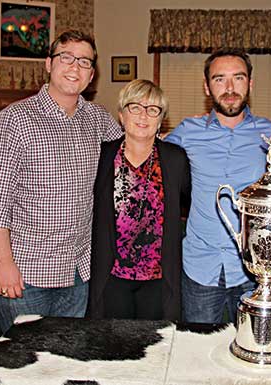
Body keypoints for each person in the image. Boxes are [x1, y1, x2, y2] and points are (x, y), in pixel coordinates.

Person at [0, 30, 122, 332]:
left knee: (66, 363)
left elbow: (132, 153)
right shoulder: (14, 119)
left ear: (92, 74)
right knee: (23, 366)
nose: (75, 67)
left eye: (84, 62)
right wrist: (3, 263)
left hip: (79, 271)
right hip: (27, 274)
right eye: (66, 57)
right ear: (48, 64)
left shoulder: (98, 118)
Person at [165, 49, 271, 324]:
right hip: (201, 267)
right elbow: (147, 154)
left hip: (254, 270)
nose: (229, 88)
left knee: (253, 354)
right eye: (219, 79)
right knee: (198, 354)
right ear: (206, 87)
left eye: (238, 78)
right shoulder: (187, 131)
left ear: (250, 83)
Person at [88, 79, 190, 321]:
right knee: (113, 349)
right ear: (122, 115)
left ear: (160, 119)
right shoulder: (102, 157)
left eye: (153, 109)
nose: (144, 116)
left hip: (158, 280)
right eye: (135, 107)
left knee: (156, 351)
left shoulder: (176, 159)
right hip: (111, 277)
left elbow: (188, 202)